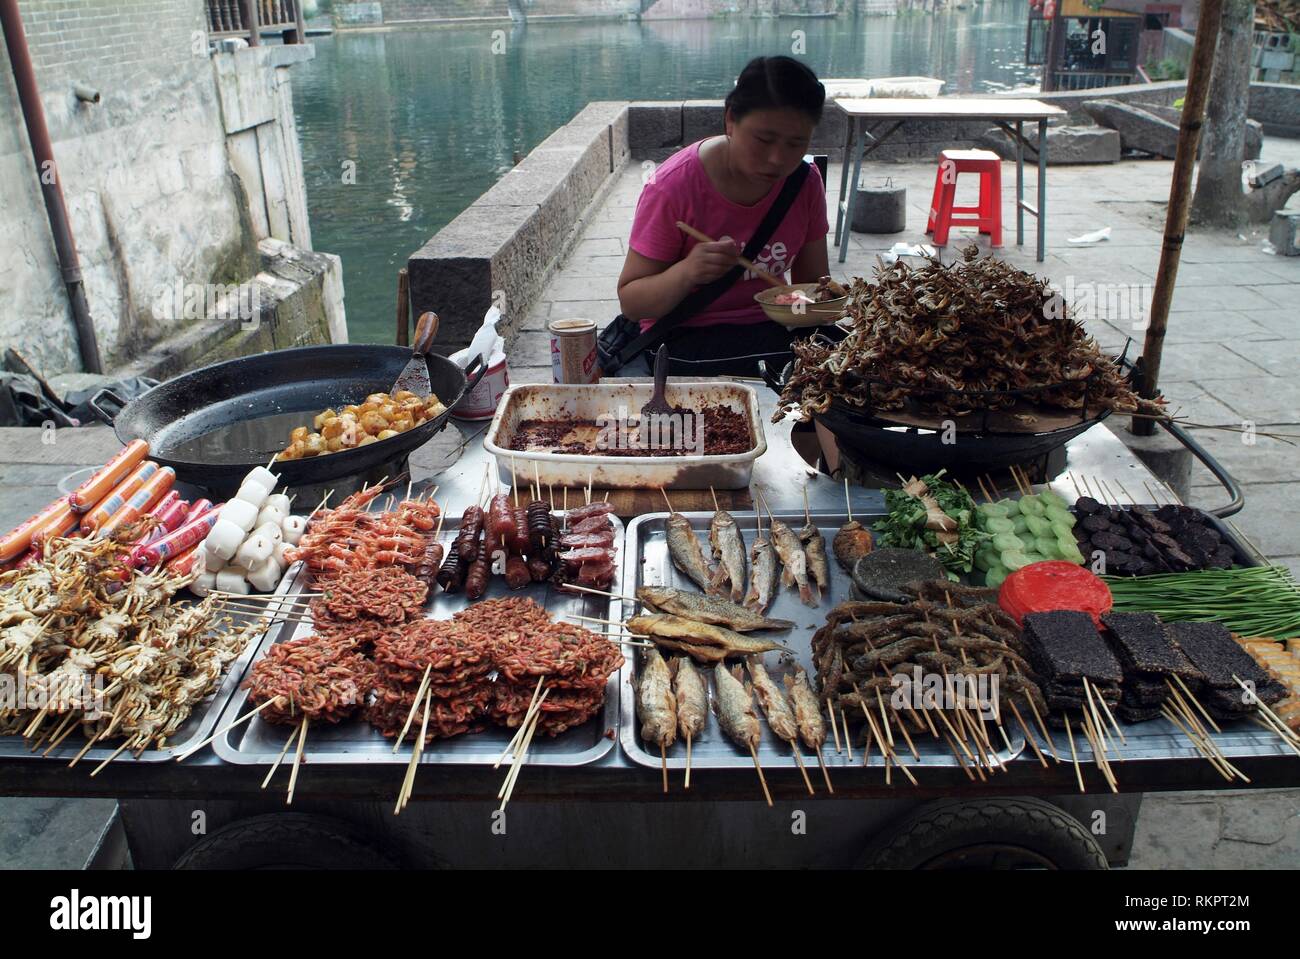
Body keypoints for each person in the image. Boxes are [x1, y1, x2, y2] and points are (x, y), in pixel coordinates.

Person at [614, 55, 832, 377]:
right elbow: (632, 303)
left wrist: (828, 302)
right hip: (685, 339)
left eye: (796, 143)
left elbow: (812, 287)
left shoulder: (804, 182)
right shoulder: (673, 188)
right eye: (764, 139)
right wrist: (688, 271)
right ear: (730, 119)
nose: (777, 159)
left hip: (771, 330)